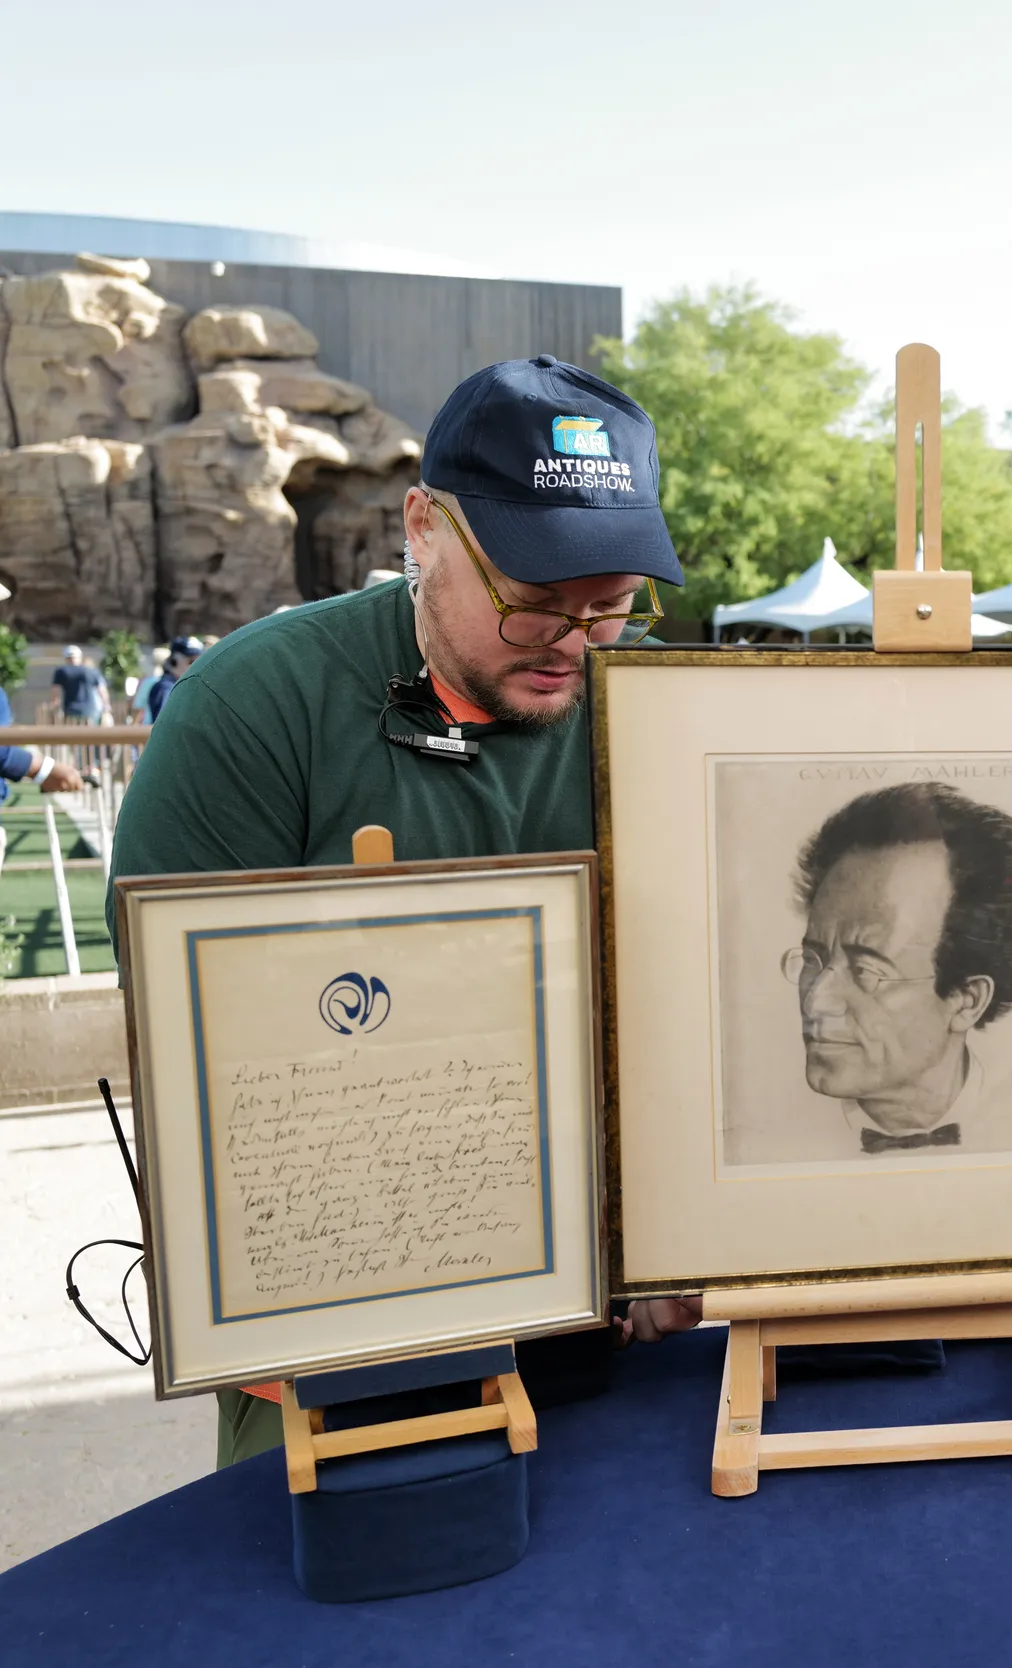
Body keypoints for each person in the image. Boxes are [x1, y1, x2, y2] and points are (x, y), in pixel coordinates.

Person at [110, 355, 701, 1468]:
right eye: (532, 604)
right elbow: (202, 1072)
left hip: (625, 1334)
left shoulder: (668, 717)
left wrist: (688, 1232)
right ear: (421, 526)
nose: (574, 643)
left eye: (612, 605)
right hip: (350, 1341)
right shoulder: (256, 709)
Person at [780, 781, 1012, 1156]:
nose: (816, 1000)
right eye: (813, 960)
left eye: (867, 972)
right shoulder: (763, 1143)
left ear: (966, 1000)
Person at [142, 637, 203, 724]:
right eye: (192, 661)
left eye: (200, 661)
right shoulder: (166, 688)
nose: (197, 666)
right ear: (174, 661)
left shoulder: (183, 686)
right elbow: (164, 726)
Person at [48, 644, 105, 724]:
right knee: (90, 734)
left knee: (72, 734)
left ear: (66, 658)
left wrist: (55, 703)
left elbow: (55, 690)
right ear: (80, 657)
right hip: (90, 709)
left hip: (71, 710)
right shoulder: (91, 671)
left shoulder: (61, 671)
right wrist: (106, 705)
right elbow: (101, 690)